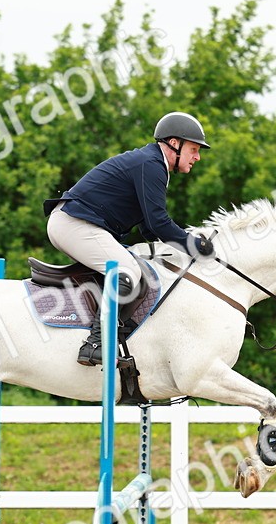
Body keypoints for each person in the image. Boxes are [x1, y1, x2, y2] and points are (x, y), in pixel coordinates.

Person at [44, 111, 214, 366]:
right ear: (174, 143)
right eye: (193, 149)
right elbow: (159, 222)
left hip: (77, 223)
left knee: (139, 264)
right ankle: (97, 343)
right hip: (73, 224)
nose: (197, 156)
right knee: (126, 270)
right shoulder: (151, 164)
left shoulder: (152, 163)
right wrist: (194, 245)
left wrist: (173, 248)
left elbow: (149, 226)